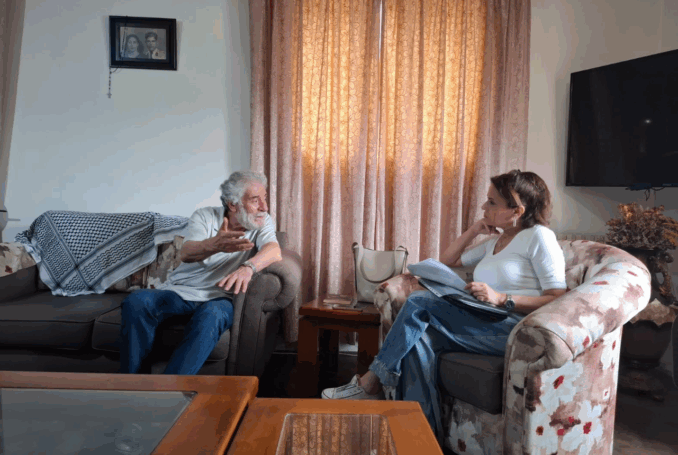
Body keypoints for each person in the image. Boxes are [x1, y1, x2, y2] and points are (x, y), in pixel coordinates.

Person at [321, 170, 567, 441]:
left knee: (419, 301)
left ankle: (372, 381)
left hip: (512, 330)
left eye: (492, 202)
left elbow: (558, 296)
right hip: (483, 320)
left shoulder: (540, 237)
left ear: (516, 211)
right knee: (418, 341)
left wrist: (502, 298)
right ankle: (418, 439)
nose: (483, 207)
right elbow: (448, 261)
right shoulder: (497, 241)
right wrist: (473, 230)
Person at [119, 171, 282, 375]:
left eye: (264, 198)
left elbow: (274, 250)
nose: (264, 207)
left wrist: (248, 267)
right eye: (255, 200)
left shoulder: (262, 221)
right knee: (136, 301)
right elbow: (187, 253)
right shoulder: (205, 216)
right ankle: (132, 383)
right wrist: (214, 244)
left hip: (221, 298)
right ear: (233, 204)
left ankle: (169, 388)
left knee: (212, 316)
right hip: (181, 292)